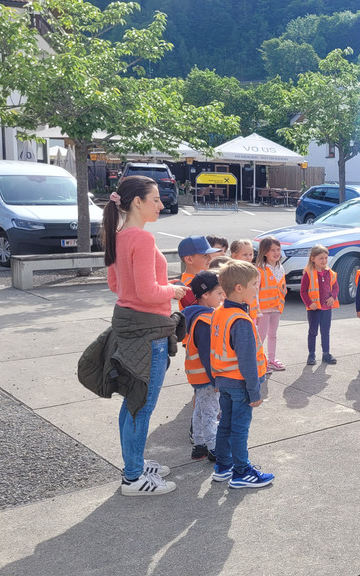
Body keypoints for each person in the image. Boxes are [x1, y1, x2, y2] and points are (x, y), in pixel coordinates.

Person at [102, 175, 188, 495]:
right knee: (143, 404)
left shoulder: (117, 235)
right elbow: (148, 291)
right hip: (148, 327)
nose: (161, 204)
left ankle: (133, 463)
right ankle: (134, 477)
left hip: (127, 325)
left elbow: (116, 287)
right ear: (137, 202)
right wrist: (175, 289)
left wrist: (159, 289)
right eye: (155, 199)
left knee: (133, 401)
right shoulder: (141, 239)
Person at [210, 260, 275, 489]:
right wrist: (254, 390)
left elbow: (214, 348)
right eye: (254, 284)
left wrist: (216, 379)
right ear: (239, 288)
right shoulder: (241, 320)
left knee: (225, 425)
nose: (257, 288)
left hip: (225, 381)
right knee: (239, 428)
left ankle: (223, 466)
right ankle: (241, 472)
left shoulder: (219, 313)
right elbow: (247, 360)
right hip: (240, 383)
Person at [183, 270, 225, 462]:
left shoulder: (197, 316)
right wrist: (216, 379)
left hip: (198, 375)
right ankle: (214, 448)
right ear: (205, 295)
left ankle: (199, 445)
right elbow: (208, 355)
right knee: (210, 412)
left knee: (200, 409)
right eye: (219, 293)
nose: (222, 297)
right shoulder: (205, 320)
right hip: (208, 376)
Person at [300, 244, 339, 365]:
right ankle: (311, 355)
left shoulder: (331, 273)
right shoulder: (308, 273)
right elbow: (303, 291)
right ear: (313, 259)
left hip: (327, 308)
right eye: (321, 258)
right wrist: (309, 303)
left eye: (326, 258)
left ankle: (326, 354)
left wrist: (333, 297)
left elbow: (336, 287)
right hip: (314, 309)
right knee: (313, 332)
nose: (324, 261)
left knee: (325, 331)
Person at [254, 236, 287, 372]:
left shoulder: (281, 268)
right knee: (261, 336)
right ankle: (259, 361)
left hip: (276, 308)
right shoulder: (259, 270)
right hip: (263, 309)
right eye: (272, 250)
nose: (276, 253)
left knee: (273, 334)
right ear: (265, 252)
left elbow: (282, 287)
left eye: (278, 249)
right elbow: (255, 291)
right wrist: (256, 309)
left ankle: (271, 359)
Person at [176, 235, 220, 309]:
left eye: (209, 255)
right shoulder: (188, 285)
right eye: (205, 255)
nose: (210, 258)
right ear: (189, 259)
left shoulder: (204, 275)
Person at [229, 239, 259, 321]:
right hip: (238, 311)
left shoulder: (253, 270)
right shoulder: (231, 272)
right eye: (245, 255)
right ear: (234, 255)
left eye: (250, 254)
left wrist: (258, 311)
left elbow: (256, 293)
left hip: (251, 312)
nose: (249, 257)